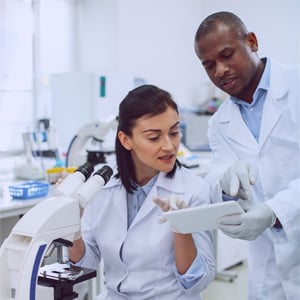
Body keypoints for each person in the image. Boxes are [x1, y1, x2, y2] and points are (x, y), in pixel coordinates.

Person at [69, 84, 215, 299]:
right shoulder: (101, 185)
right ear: (125, 140)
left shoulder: (194, 190)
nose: (169, 146)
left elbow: (197, 281)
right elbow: (86, 263)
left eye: (174, 133)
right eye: (154, 137)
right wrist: (72, 228)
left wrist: (182, 229)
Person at [194, 11, 300, 300]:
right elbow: (218, 172)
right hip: (268, 265)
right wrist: (224, 183)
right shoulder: (220, 122)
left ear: (252, 42)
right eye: (209, 65)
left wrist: (275, 211)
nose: (219, 70)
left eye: (227, 55)